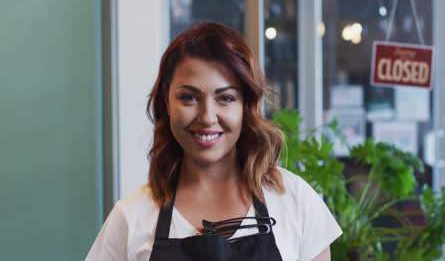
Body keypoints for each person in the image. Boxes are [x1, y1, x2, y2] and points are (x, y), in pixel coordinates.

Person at [86, 22, 342, 261]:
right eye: (189, 97)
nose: (207, 117)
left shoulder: (294, 201)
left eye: (226, 98)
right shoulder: (131, 218)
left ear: (246, 105)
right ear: (167, 101)